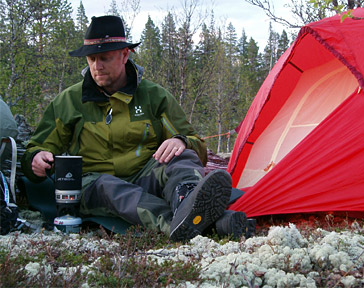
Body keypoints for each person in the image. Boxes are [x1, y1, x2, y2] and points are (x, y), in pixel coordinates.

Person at [21, 15, 247, 242]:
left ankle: (187, 201)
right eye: (91, 59)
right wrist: (36, 159)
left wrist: (181, 141)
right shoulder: (68, 101)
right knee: (107, 187)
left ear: (124, 55)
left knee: (181, 156)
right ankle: (190, 223)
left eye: (105, 58)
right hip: (93, 184)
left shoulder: (154, 96)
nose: (96, 66)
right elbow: (37, 148)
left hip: (145, 176)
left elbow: (196, 145)